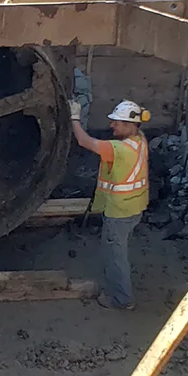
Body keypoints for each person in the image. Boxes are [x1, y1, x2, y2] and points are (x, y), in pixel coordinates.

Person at [70, 98, 150, 310]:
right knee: (119, 249)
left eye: (117, 122)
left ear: (130, 125)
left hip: (120, 211)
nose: (111, 125)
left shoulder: (119, 150)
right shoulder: (140, 140)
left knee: (116, 256)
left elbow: (84, 141)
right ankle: (121, 291)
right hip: (135, 208)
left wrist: (74, 117)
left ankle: (122, 299)